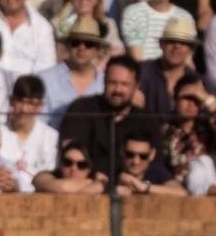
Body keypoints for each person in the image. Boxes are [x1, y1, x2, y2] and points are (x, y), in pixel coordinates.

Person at [59, 50, 155, 181]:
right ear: (104, 82)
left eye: (124, 84)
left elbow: (154, 164)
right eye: (112, 83)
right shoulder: (82, 109)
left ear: (136, 86)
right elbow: (70, 156)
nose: (117, 90)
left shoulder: (146, 121)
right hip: (86, 186)